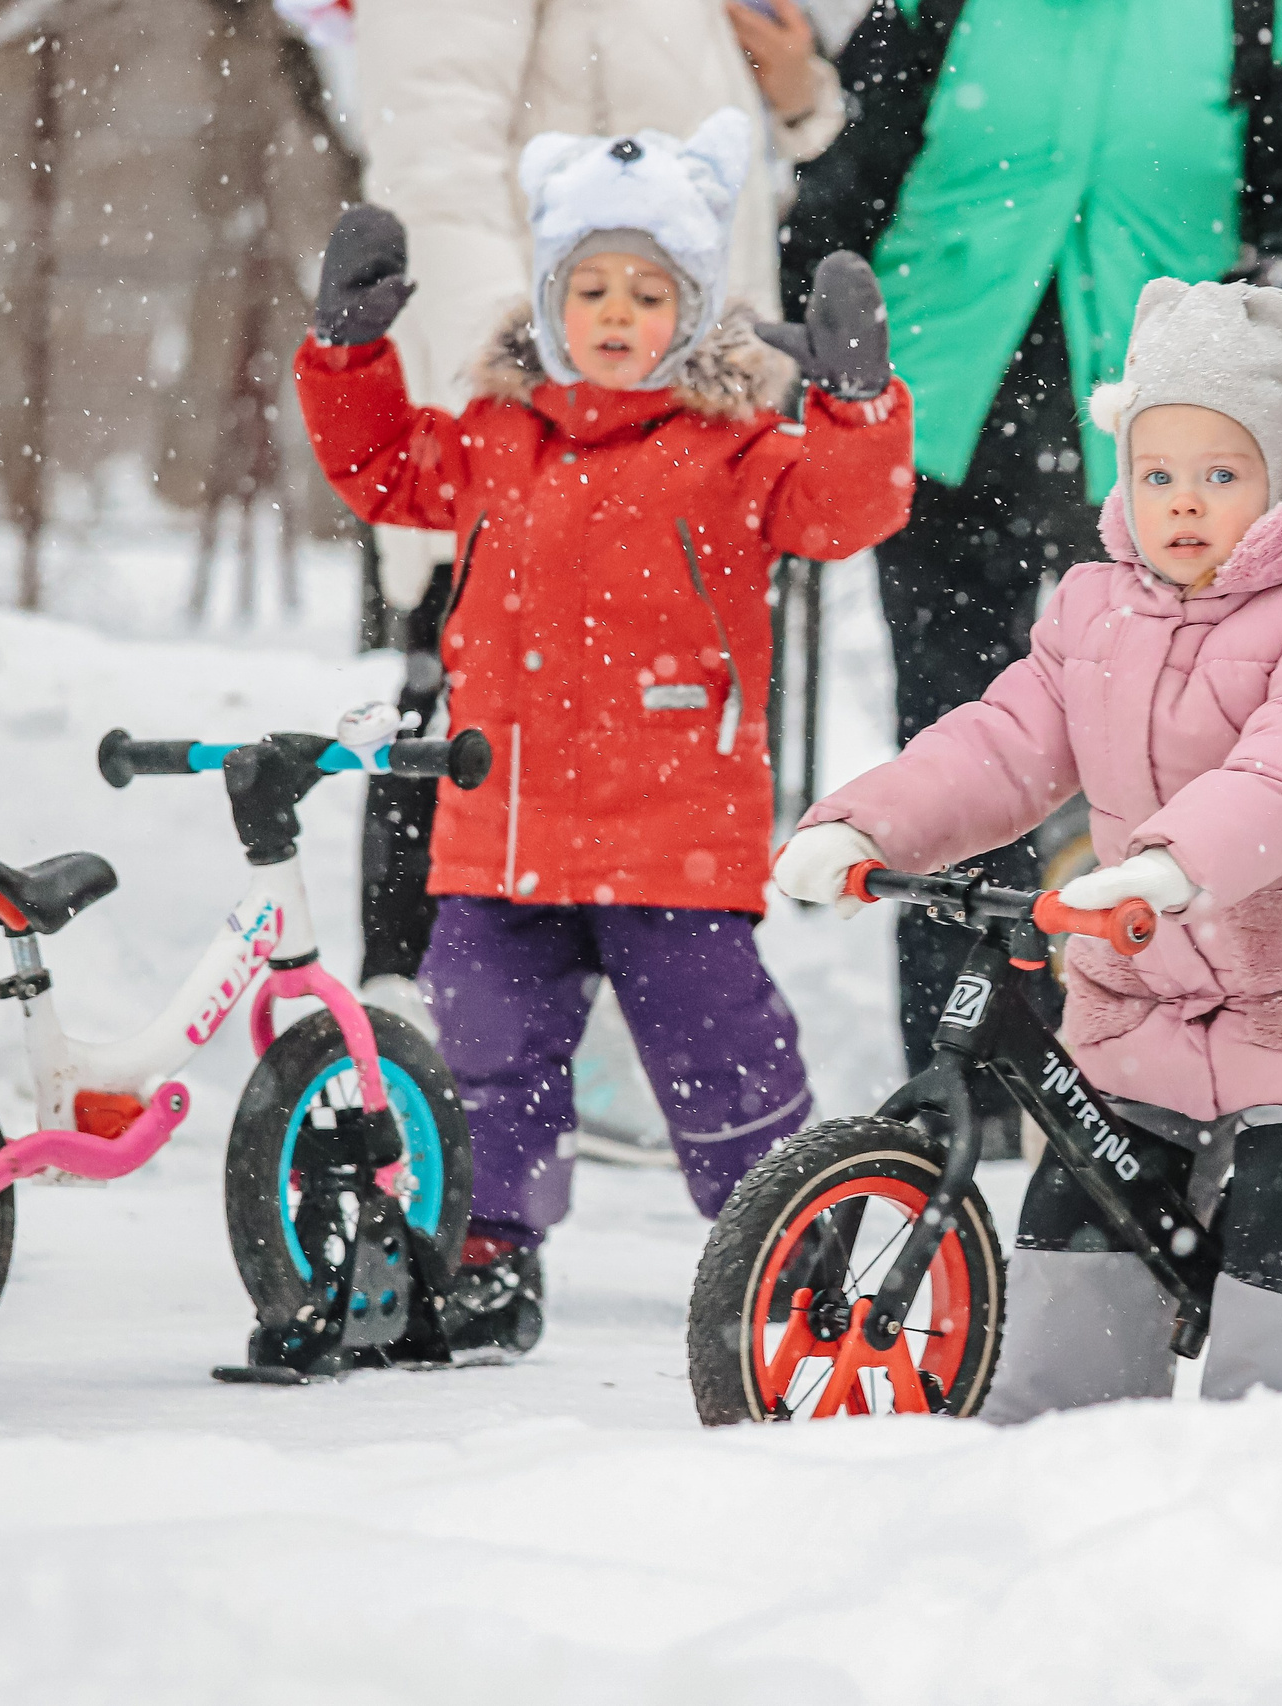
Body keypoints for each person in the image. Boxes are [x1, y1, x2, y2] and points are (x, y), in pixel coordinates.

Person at [771, 281, 1282, 1440]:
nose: (1183, 504)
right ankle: (1065, 1458)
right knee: (1082, 1217)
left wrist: (1169, 863)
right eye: (1157, 474)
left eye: (1220, 473)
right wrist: (867, 825)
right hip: (1160, 979)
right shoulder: (1097, 609)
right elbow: (1002, 742)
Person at [293, 112, 916, 1349]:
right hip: (501, 831)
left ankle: (791, 1240)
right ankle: (484, 1256)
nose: (618, 311)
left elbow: (848, 509)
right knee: (483, 1054)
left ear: (692, 310)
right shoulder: (492, 439)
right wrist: (347, 351)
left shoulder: (734, 450)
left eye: (649, 288)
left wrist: (855, 401)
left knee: (720, 1053)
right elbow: (377, 471)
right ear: (548, 299)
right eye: (591, 286)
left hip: (669, 834)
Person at [782, 0, 1282, 1121]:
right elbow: (844, 183)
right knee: (962, 752)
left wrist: (1273, 333)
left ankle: (1177, 1075)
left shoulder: (1256, 15)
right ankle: (964, 1080)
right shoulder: (935, 8)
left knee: (1189, 753)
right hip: (948, 420)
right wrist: (823, 335)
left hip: (1176, 451)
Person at [347, 0, 851, 1024]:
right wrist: (534, 386)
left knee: (650, 732)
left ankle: (585, 1036)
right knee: (469, 711)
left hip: (676, 424)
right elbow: (435, 147)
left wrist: (804, 106)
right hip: (535, 421)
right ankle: (416, 1035)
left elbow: (733, 140)